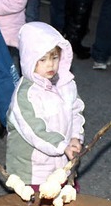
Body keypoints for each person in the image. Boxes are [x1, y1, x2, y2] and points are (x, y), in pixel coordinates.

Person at [6, 21, 85, 192]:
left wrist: (74, 137)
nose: (50, 65)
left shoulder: (65, 84)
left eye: (54, 58)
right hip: (32, 170)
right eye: (42, 59)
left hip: (61, 165)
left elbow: (75, 112)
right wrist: (62, 146)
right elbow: (35, 130)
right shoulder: (25, 95)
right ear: (29, 59)